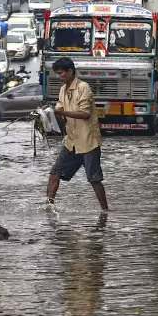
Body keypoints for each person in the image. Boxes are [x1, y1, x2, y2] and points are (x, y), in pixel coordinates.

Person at [46, 57, 108, 211]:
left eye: (61, 73)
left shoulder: (83, 87)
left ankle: (105, 211)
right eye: (57, 74)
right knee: (55, 173)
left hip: (88, 141)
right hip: (71, 141)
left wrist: (62, 112)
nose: (59, 77)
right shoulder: (63, 90)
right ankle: (48, 207)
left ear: (70, 71)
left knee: (94, 179)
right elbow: (59, 112)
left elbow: (85, 113)